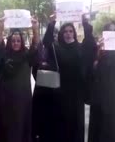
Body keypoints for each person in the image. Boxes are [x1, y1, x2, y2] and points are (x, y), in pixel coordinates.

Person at [33, 13, 96, 142]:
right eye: (66, 31)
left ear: (74, 33)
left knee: (75, 127)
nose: (68, 33)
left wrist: (85, 23)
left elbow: (90, 44)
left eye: (71, 31)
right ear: (62, 33)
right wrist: (52, 23)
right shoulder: (56, 47)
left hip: (76, 95)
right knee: (59, 127)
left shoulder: (80, 48)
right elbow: (46, 42)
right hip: (59, 93)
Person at [0, 17, 40, 142]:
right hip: (5, 101)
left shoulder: (27, 56)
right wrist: (1, 28)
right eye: (13, 40)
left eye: (18, 41)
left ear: (22, 42)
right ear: (9, 42)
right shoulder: (4, 55)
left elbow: (36, 46)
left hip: (22, 102)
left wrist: (35, 29)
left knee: (20, 130)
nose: (16, 43)